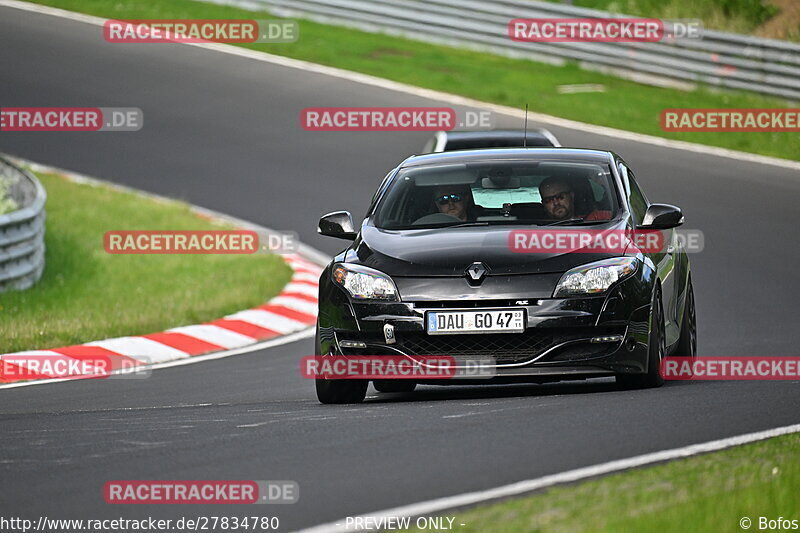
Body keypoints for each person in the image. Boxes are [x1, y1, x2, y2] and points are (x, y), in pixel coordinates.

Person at [538, 177, 611, 221]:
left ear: (572, 196)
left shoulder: (600, 218)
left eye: (560, 196)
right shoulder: (535, 231)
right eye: (549, 200)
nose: (556, 203)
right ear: (543, 204)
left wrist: (602, 181)